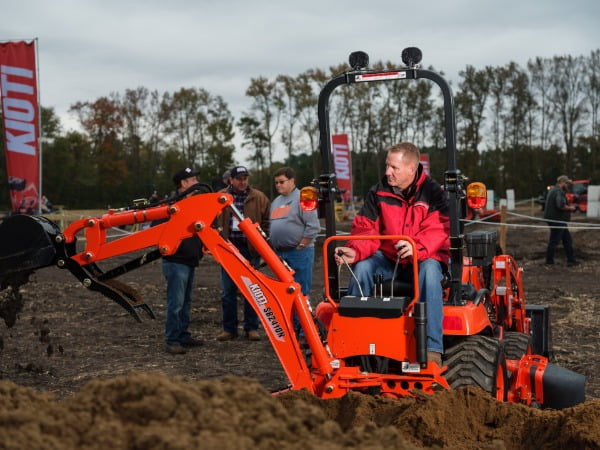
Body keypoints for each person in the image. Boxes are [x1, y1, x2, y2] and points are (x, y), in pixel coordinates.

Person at [334, 142, 450, 366]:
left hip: (422, 258)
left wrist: (417, 247)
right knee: (363, 268)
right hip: (389, 260)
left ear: (412, 168)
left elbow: (439, 230)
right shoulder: (378, 192)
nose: (388, 172)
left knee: (430, 271)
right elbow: (367, 229)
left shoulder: (434, 194)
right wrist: (354, 250)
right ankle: (351, 340)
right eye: (387, 166)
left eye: (394, 168)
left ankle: (433, 347)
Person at [216, 165, 270, 341]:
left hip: (250, 248)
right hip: (228, 248)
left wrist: (262, 241)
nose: (242, 181)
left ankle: (251, 327)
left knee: (252, 289)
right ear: (231, 180)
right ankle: (229, 329)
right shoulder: (220, 197)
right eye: (239, 178)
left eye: (245, 178)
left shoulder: (259, 198)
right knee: (228, 292)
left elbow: (267, 221)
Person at [154, 167, 205, 354]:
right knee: (176, 302)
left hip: (190, 259)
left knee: (186, 301)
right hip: (176, 260)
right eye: (193, 180)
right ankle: (172, 339)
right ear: (183, 184)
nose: (196, 183)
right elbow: (157, 230)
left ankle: (183, 335)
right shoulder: (169, 205)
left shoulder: (194, 203)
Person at [269, 167, 321, 333]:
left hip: (299, 253)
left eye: (282, 182)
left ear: (292, 181)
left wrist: (302, 245)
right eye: (276, 182)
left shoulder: (304, 197)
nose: (278, 185)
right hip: (281, 254)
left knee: (301, 292)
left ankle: (303, 331)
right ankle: (291, 329)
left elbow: (313, 226)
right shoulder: (276, 202)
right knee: (285, 293)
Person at [544, 175, 578, 266]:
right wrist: (571, 208)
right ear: (561, 182)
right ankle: (549, 261)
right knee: (554, 241)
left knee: (567, 240)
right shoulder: (558, 192)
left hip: (557, 219)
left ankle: (571, 260)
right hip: (557, 220)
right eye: (566, 183)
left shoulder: (553, 190)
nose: (568, 185)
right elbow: (560, 205)